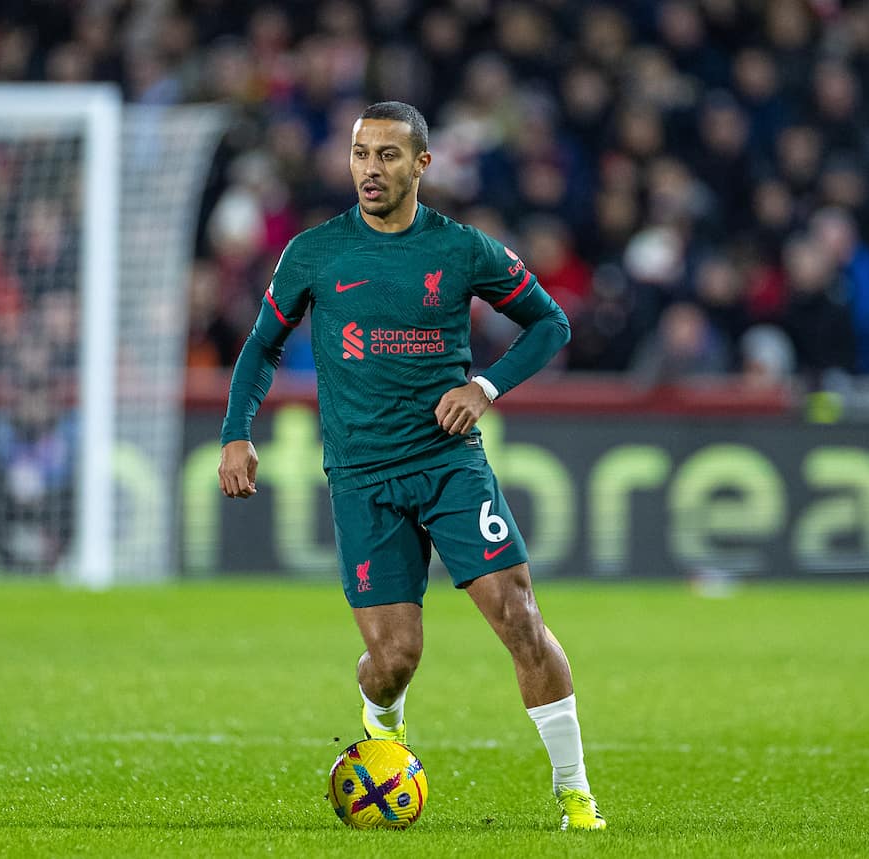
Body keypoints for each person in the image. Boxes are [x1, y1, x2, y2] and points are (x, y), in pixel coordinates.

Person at [217, 101, 605, 831]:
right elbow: (261, 345)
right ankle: (382, 723)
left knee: (519, 616)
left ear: (422, 165)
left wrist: (483, 386)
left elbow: (551, 321)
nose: (371, 168)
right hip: (363, 477)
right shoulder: (314, 252)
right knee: (395, 656)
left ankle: (575, 793)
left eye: (388, 156)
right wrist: (236, 432)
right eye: (362, 154)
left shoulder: (461, 250)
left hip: (448, 464)